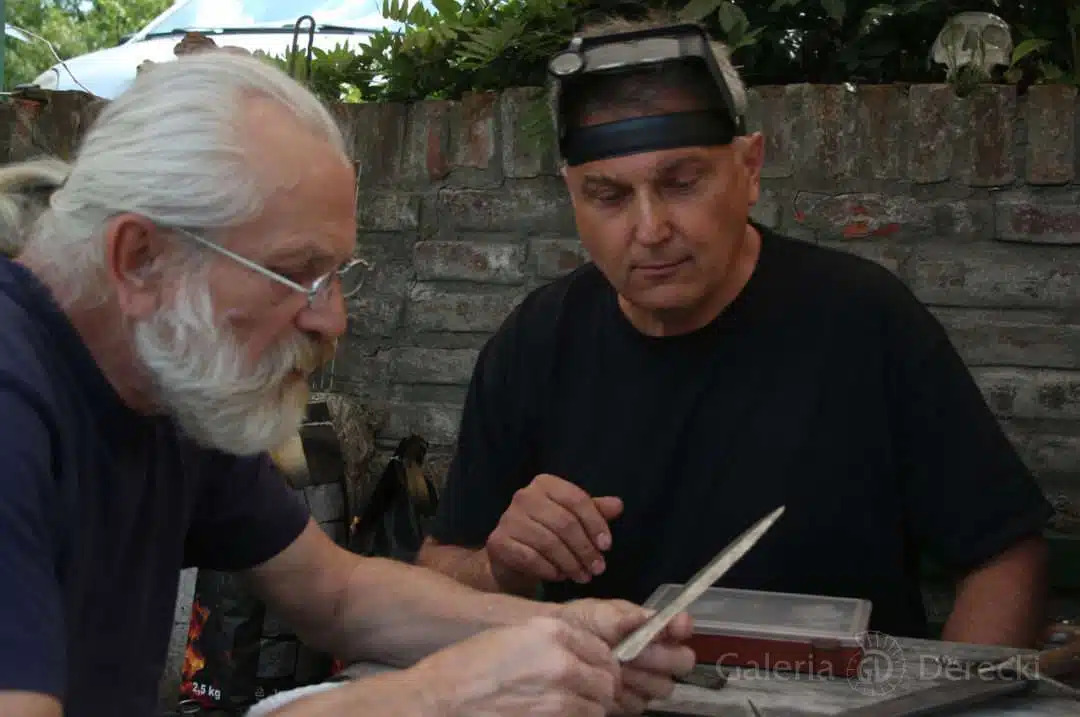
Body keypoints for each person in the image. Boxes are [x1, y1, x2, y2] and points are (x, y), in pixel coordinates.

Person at [0, 51, 695, 717]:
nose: (333, 319)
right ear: (140, 259)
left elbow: (335, 592)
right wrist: (432, 698)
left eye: (336, 275)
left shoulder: (165, 368)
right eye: (294, 273)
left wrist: (564, 635)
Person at [416, 14, 1055, 648]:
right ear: (571, 196)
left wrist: (950, 690)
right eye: (608, 196)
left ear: (749, 169)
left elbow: (1004, 556)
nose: (650, 229)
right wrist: (502, 567)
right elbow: (438, 573)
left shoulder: (864, 321)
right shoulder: (535, 343)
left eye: (681, 183)